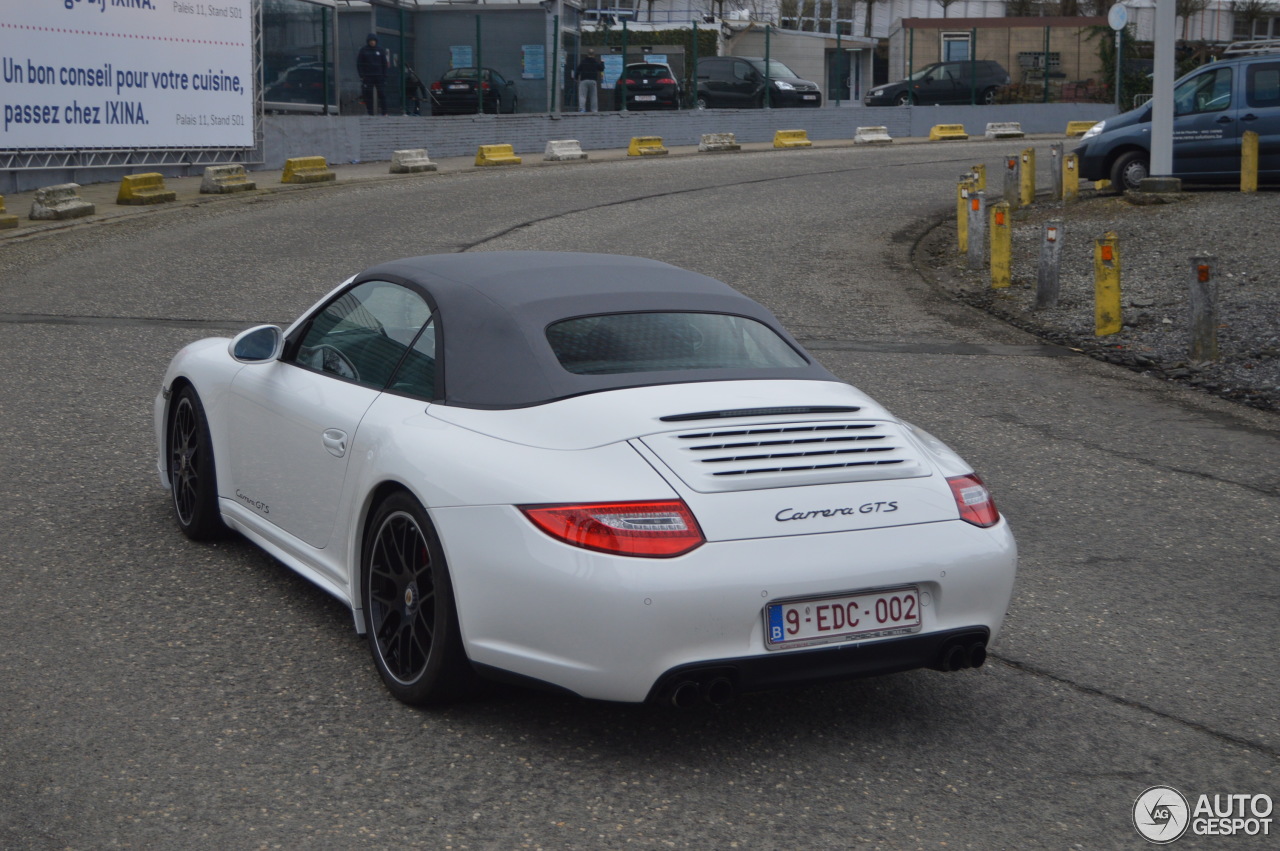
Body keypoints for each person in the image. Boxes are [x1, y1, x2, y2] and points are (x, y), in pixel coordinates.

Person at [356, 33, 389, 116]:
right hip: (368, 77)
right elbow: (359, 63)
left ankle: (384, 112)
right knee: (368, 95)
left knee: (382, 94)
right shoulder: (364, 50)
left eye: (374, 41)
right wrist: (362, 75)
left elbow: (384, 63)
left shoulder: (380, 50)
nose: (372, 42)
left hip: (379, 76)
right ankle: (370, 112)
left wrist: (384, 75)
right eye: (371, 41)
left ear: (376, 41)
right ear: (368, 41)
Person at [575, 49, 604, 113]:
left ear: (587, 54)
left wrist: (576, 78)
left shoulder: (583, 61)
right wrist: (602, 62)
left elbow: (578, 70)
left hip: (584, 80)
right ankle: (594, 110)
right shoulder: (595, 62)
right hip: (593, 80)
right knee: (593, 96)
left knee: (582, 95)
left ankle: (582, 109)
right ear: (594, 55)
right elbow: (601, 68)